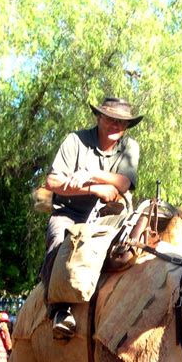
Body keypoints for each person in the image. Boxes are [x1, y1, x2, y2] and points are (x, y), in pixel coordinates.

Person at [42, 96, 143, 339]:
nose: (116, 125)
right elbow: (53, 182)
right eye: (110, 118)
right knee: (57, 238)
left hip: (109, 217)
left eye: (122, 122)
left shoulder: (130, 147)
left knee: (136, 248)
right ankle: (58, 309)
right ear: (98, 117)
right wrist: (92, 189)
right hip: (70, 214)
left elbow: (124, 182)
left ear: (127, 126)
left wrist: (91, 174)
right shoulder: (75, 141)